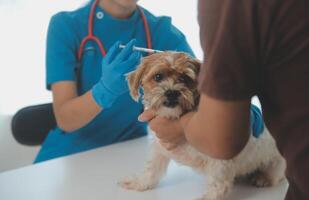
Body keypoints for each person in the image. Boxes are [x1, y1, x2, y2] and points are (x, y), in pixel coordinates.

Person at [139, 0, 309, 199]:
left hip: (305, 175)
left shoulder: (228, 7)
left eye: (184, 79)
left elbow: (221, 146)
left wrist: (181, 127)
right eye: (158, 78)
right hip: (308, 170)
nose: (171, 89)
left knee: (268, 176)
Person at [33, 0, 195, 163]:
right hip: (69, 155)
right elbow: (65, 119)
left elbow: (204, 92)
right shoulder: (66, 26)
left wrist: (181, 127)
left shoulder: (161, 31)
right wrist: (104, 90)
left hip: (129, 149)